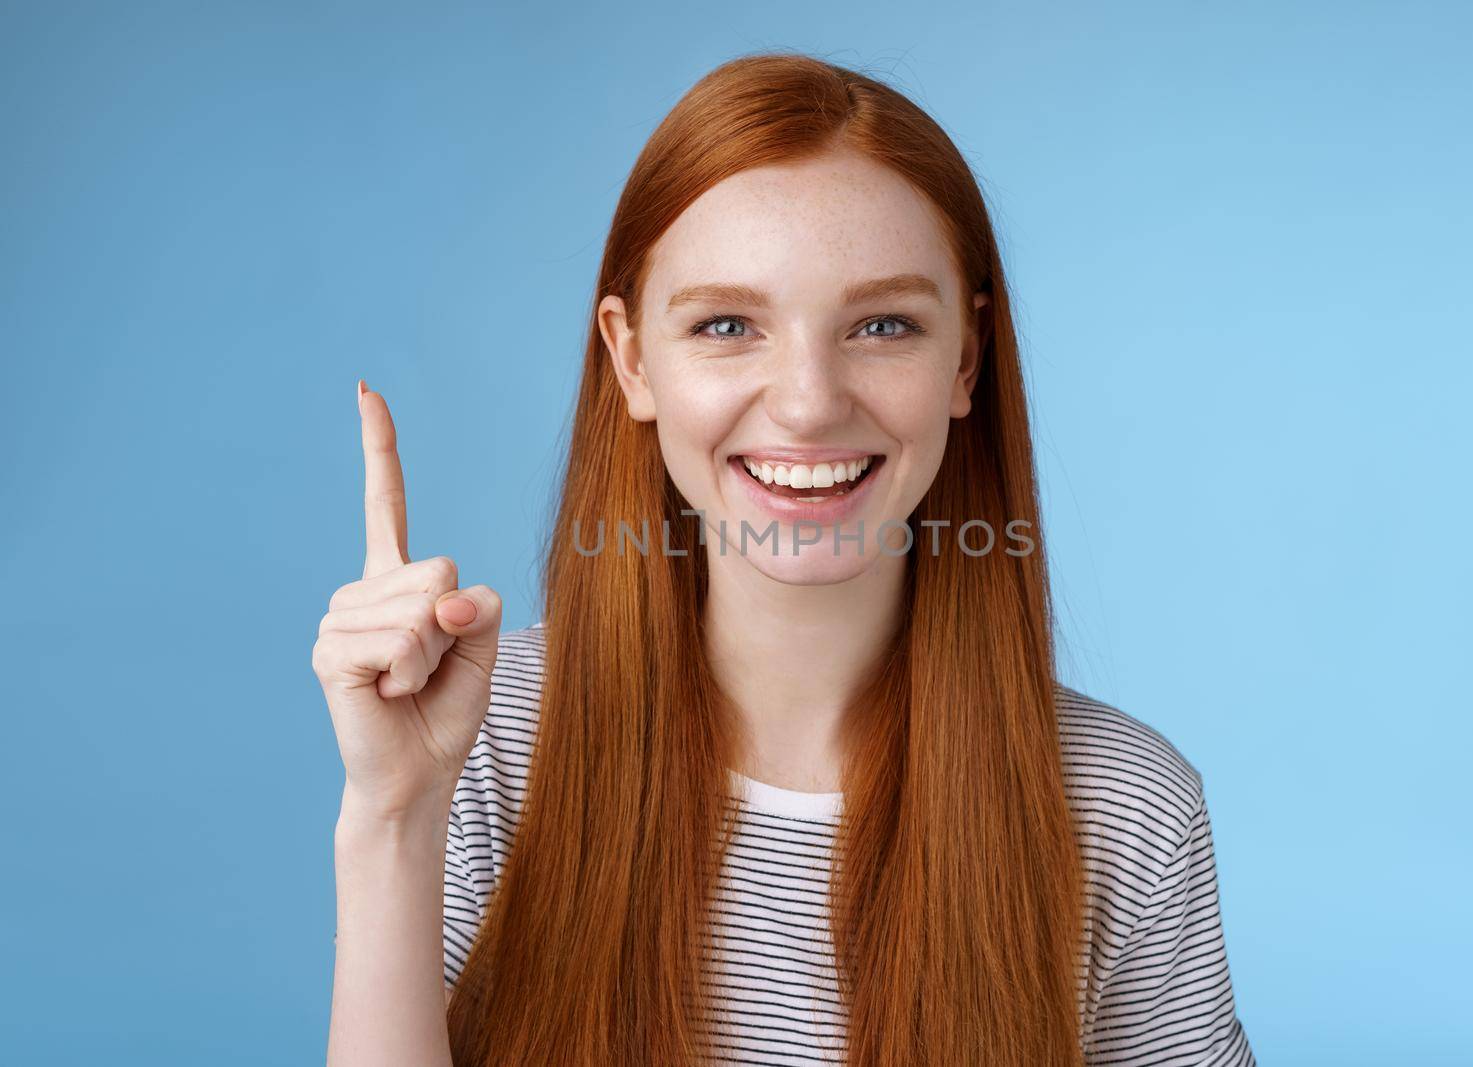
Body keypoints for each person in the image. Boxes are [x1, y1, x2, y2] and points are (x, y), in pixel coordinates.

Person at [313, 51, 1256, 1067]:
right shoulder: (488, 737)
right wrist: (393, 815)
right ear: (632, 360)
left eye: (883, 324)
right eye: (727, 324)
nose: (808, 402)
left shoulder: (1124, 807)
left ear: (966, 360)